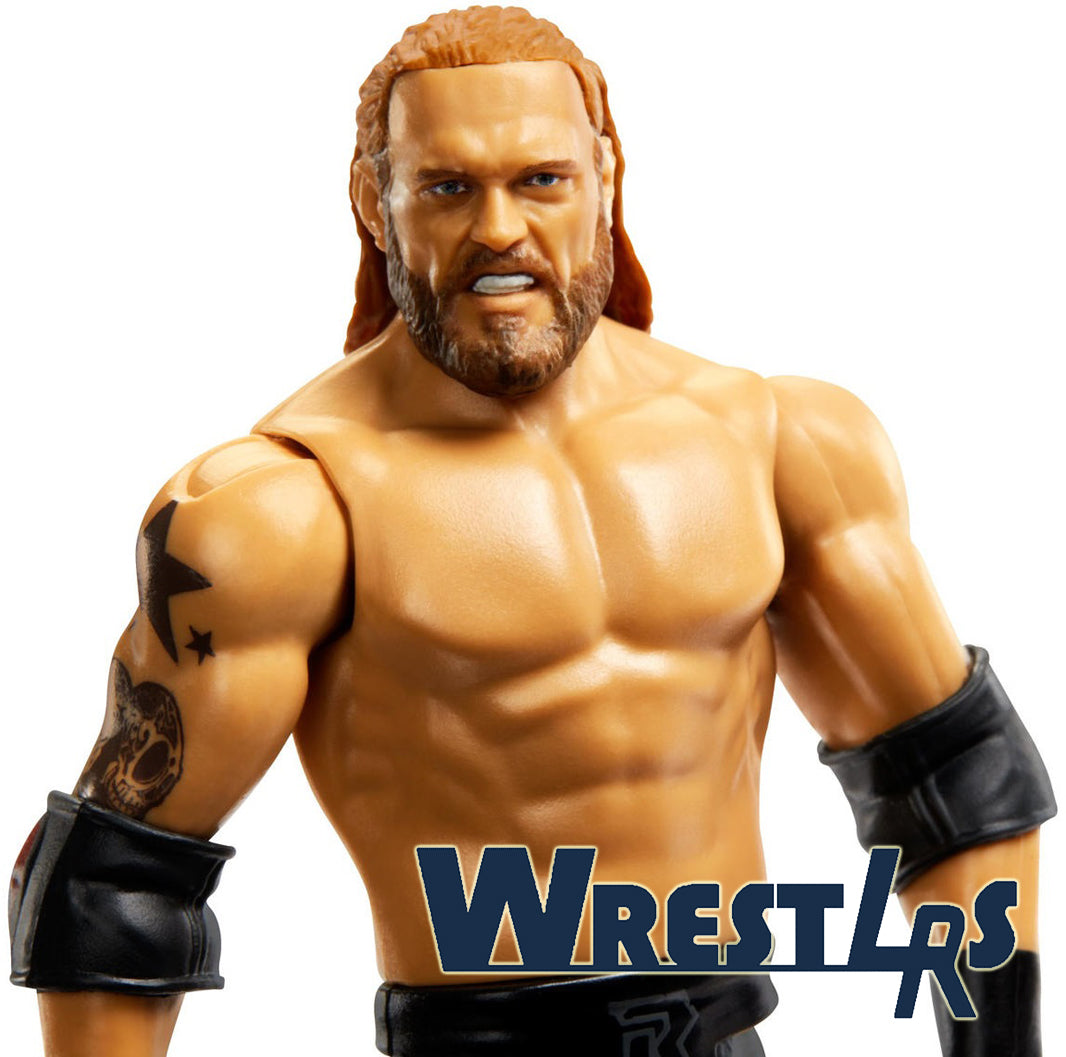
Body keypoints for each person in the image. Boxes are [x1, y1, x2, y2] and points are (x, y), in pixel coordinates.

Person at [8, 7, 1055, 1056]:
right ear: (374, 200)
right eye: (447, 187)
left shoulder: (781, 443)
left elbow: (953, 780)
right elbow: (114, 886)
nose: (500, 229)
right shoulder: (280, 510)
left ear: (606, 176)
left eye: (541, 179)